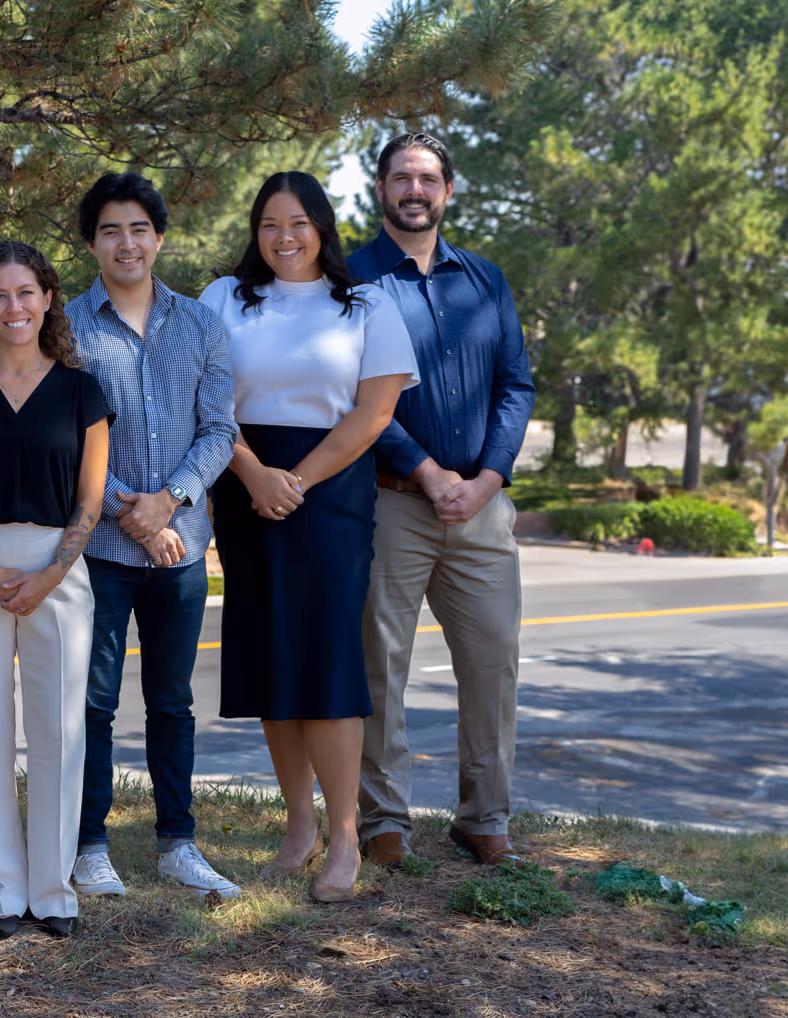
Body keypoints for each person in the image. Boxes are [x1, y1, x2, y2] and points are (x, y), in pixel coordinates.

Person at [199, 170, 418, 903]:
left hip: (330, 495)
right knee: (271, 657)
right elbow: (203, 401)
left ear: (321, 226)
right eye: (268, 224)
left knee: (325, 662)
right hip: (243, 482)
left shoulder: (366, 304)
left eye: (297, 222)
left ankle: (346, 836)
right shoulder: (222, 299)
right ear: (254, 231)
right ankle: (299, 825)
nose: (283, 237)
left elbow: (374, 413)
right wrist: (256, 474)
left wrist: (296, 480)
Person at [347, 132, 536, 869]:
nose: (414, 190)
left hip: (481, 505)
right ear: (382, 190)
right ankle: (383, 821)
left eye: (427, 178)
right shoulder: (353, 280)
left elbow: (515, 385)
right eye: (401, 178)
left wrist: (489, 477)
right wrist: (425, 470)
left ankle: (484, 819)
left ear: (447, 191)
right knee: (379, 662)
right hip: (391, 499)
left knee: (493, 661)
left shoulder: (485, 280)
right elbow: (355, 393)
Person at [64, 172, 243, 900]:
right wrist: (124, 511)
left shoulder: (201, 324)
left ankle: (178, 843)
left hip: (178, 545)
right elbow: (63, 438)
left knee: (172, 701)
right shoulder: (67, 325)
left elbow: (220, 431)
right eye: (111, 230)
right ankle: (89, 845)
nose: (126, 242)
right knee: (95, 701)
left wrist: (168, 504)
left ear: (159, 237)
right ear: (92, 243)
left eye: (139, 228)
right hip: (101, 550)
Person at [0, 241, 109, 940]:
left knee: (59, 733)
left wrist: (51, 574)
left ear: (47, 299)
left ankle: (52, 891)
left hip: (57, 569)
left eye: (26, 293)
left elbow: (90, 499)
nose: (14, 307)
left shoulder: (79, 389)